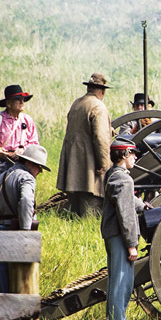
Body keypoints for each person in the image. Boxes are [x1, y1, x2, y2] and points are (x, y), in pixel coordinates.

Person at [0, 144, 49, 293]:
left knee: (3, 280)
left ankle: (0, 314)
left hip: (0, 231)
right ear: (29, 163)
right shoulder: (27, 178)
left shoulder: (1, 177)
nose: (40, 172)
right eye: (39, 167)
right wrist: (25, 232)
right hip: (16, 233)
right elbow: (27, 202)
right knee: (21, 281)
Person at [102, 135, 147, 320]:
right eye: (133, 154)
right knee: (122, 283)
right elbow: (126, 214)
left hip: (112, 234)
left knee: (116, 281)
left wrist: (142, 205)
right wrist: (132, 244)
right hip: (121, 236)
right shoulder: (123, 178)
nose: (135, 158)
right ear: (125, 154)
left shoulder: (113, 173)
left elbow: (125, 200)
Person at [56, 73, 112, 216]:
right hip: (89, 165)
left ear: (89, 88)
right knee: (91, 207)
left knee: (75, 208)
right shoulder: (98, 107)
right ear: (102, 91)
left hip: (73, 163)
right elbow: (101, 138)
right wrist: (104, 163)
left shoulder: (77, 103)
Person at [0, 84, 39, 194]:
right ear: (8, 104)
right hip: (0, 162)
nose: (22, 102)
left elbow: (34, 142)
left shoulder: (27, 120)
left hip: (21, 163)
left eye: (23, 99)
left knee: (20, 192)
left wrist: (23, 150)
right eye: (18, 100)